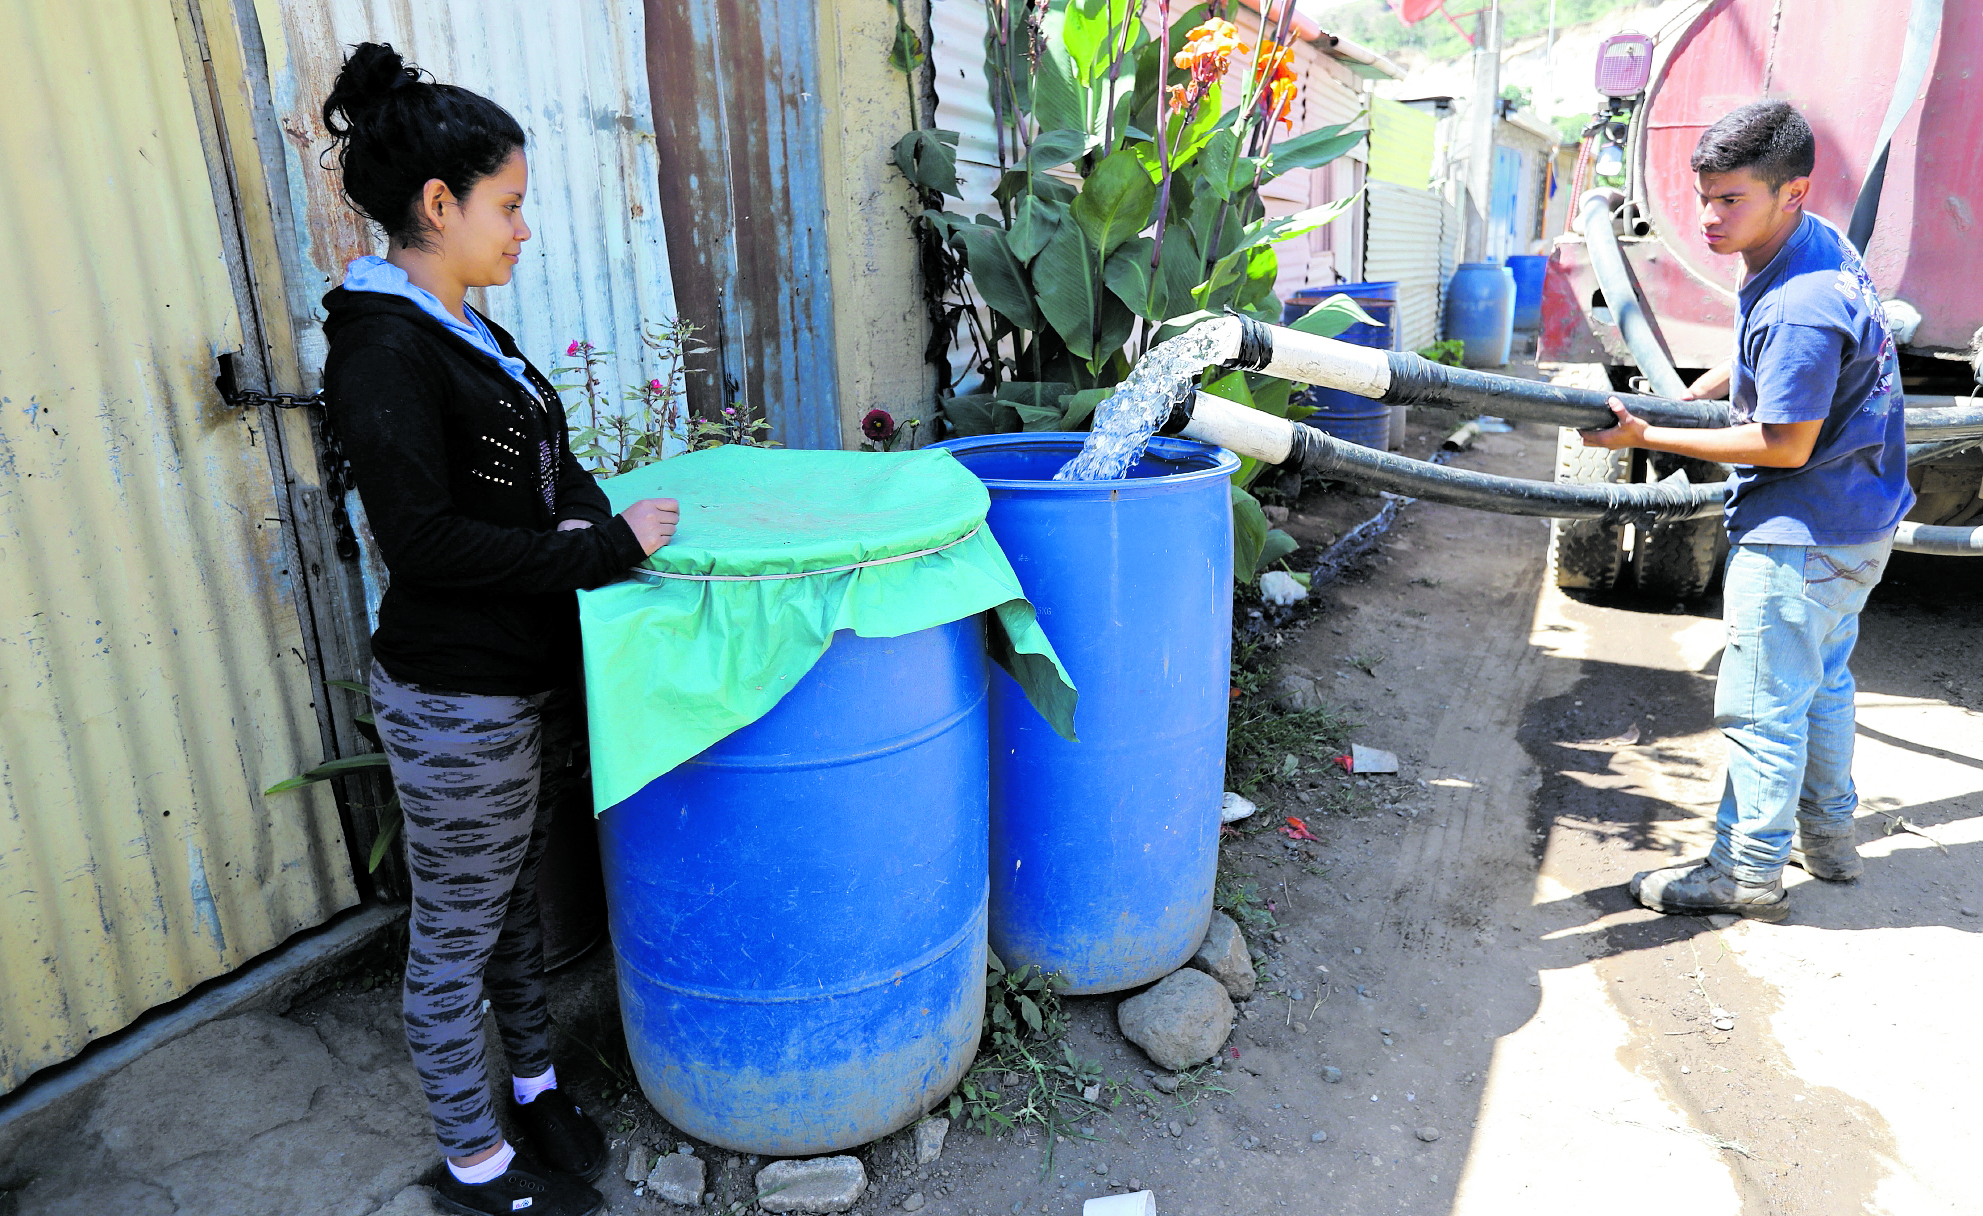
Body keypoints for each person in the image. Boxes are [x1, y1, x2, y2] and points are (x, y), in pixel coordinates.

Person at [318, 43, 678, 1216]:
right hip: (455, 695)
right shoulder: (381, 346)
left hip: (518, 678)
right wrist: (603, 548)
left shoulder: (474, 331)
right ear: (439, 204)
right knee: (456, 933)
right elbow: (422, 543)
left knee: (521, 897)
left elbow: (549, 468)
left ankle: (531, 1084)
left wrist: (598, 515)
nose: (524, 229)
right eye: (508, 205)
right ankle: (476, 1165)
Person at [1581, 100, 1913, 921]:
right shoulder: (1812, 242)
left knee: (1761, 706)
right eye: (1704, 195)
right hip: (1858, 515)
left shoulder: (1798, 303)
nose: (1706, 218)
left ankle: (1745, 871)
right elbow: (1767, 358)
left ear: (1791, 190)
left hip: (1803, 527)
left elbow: (1783, 444)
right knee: (1820, 684)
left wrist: (1654, 431)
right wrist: (1707, 391)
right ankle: (1829, 841)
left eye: (1731, 200)